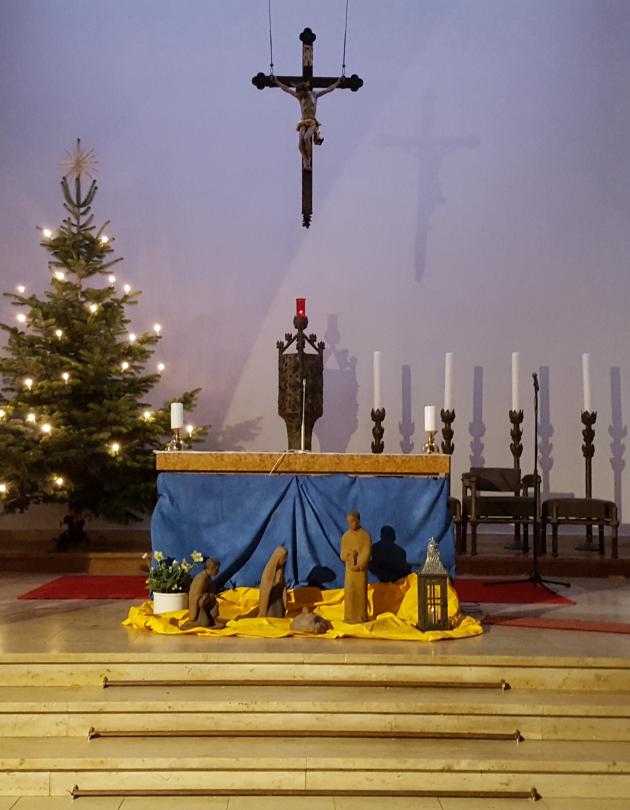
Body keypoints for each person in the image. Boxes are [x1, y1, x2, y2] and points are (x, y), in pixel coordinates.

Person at [272, 76, 344, 170]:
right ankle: (305, 160)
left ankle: (309, 159)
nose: (299, 94)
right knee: (301, 140)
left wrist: (338, 82)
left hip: (312, 121)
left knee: (306, 138)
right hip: (303, 121)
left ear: (304, 90)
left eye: (300, 92)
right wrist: (276, 81)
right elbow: (286, 89)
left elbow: (329, 89)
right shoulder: (299, 97)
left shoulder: (314, 95)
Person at [340, 511, 372, 623]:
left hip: (360, 571)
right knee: (350, 593)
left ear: (358, 521)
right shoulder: (345, 537)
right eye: (348, 522)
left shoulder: (365, 536)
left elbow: (366, 552)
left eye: (352, 522)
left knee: (360, 593)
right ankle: (349, 616)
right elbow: (342, 554)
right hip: (349, 571)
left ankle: (361, 616)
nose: (350, 524)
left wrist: (359, 565)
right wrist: (349, 555)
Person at [186, 558, 221, 628]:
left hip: (204, 599)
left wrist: (211, 594)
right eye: (216, 569)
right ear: (211, 568)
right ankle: (200, 621)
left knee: (214, 601)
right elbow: (196, 595)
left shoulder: (208, 577)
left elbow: (211, 590)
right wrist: (207, 596)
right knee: (207, 602)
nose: (218, 571)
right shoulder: (202, 578)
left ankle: (212, 619)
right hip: (198, 603)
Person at [258, 546, 289, 618]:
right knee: (272, 616)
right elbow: (265, 591)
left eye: (286, 558)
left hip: (279, 601)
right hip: (271, 603)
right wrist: (276, 583)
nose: (285, 560)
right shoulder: (268, 572)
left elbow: (283, 586)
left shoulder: (280, 570)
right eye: (284, 558)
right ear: (278, 557)